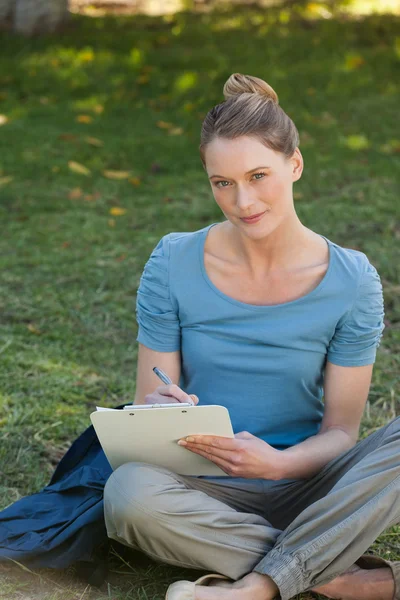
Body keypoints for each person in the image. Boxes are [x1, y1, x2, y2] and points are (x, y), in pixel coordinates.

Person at [103, 73, 400, 600]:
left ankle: (257, 587)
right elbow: (151, 396)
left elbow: (341, 433)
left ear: (296, 165)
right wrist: (161, 407)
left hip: (310, 485)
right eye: (223, 182)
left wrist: (278, 463)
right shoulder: (172, 261)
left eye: (259, 175)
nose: (243, 200)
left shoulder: (353, 280)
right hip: (202, 486)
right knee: (127, 493)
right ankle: (344, 582)